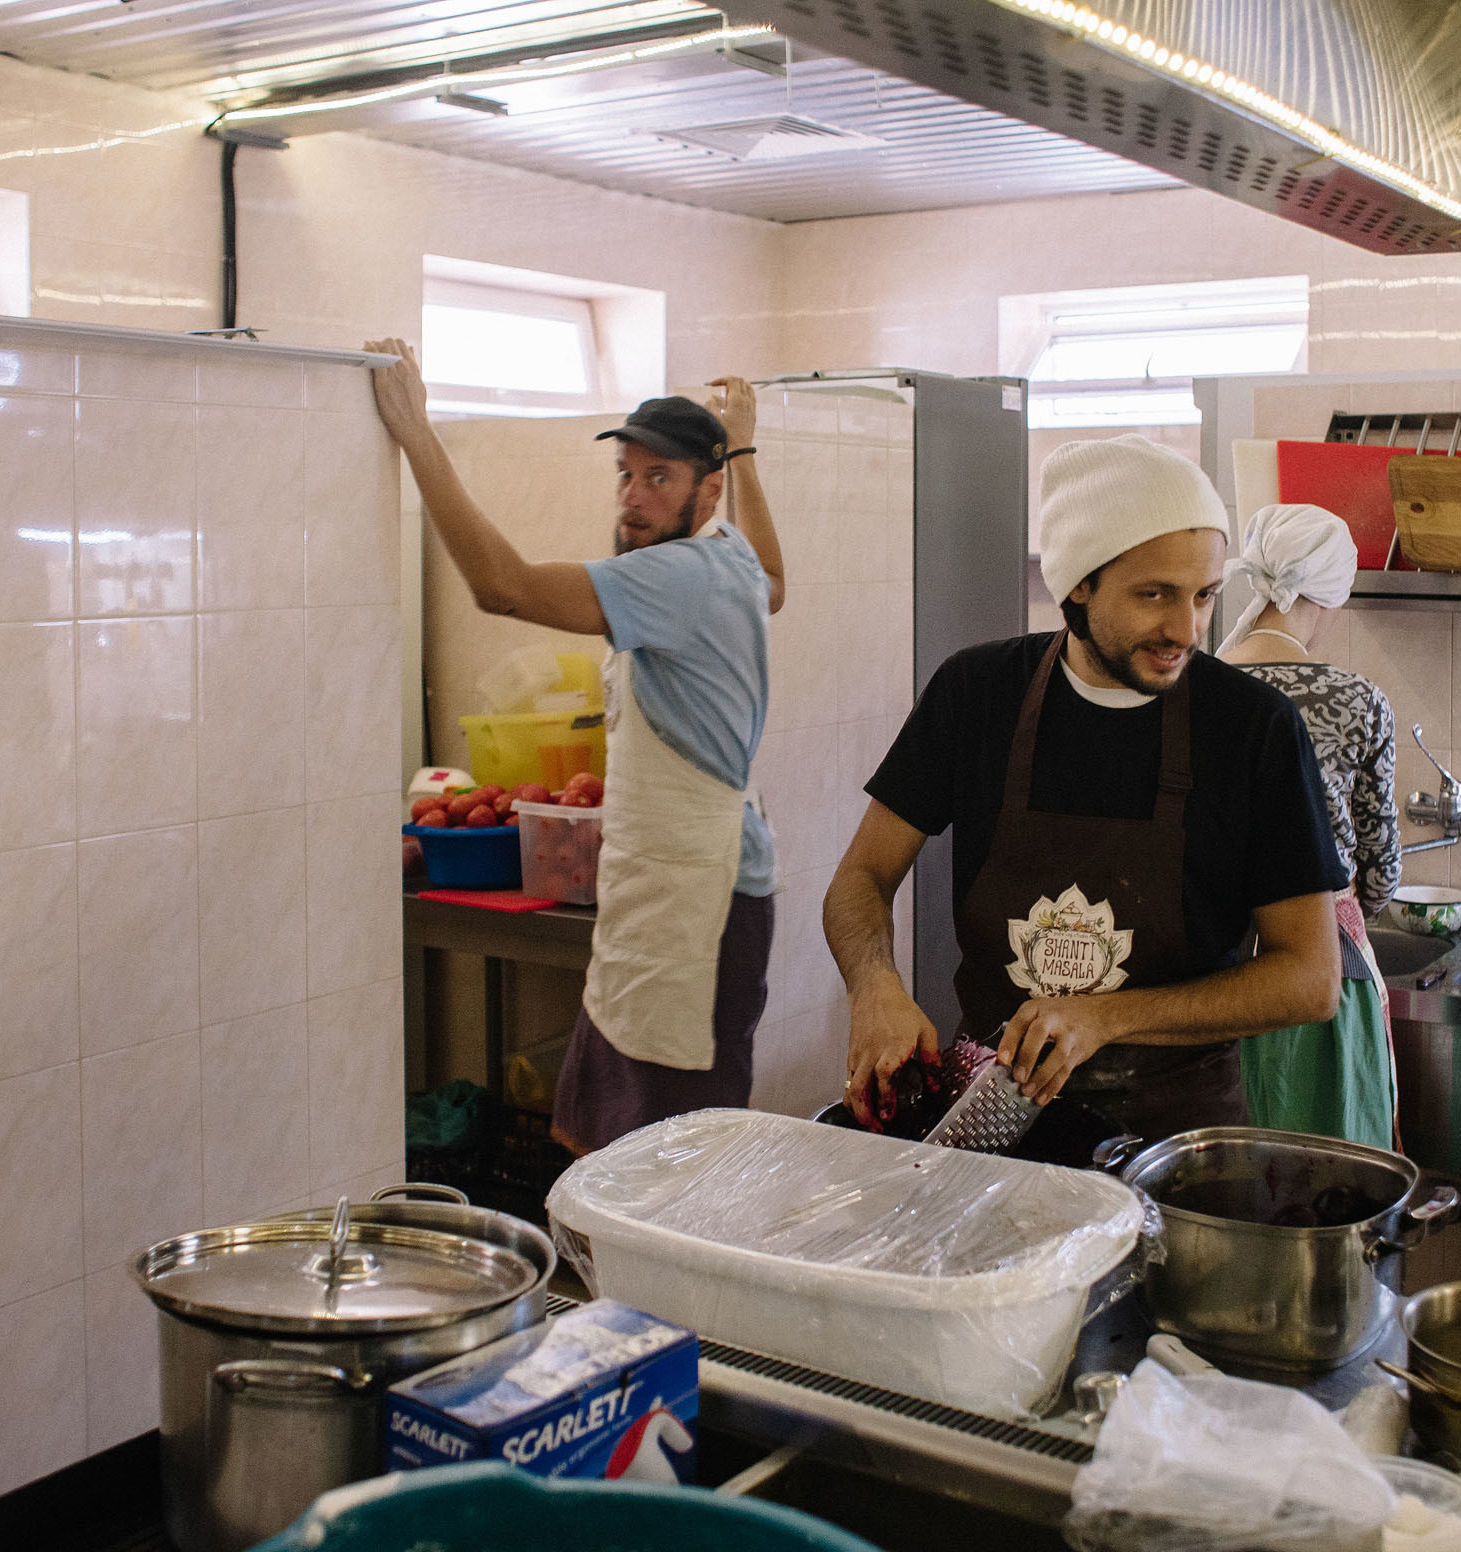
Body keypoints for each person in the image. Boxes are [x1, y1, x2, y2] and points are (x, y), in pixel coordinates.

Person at [823, 434, 1347, 1145]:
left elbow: (1310, 978)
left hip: (1175, 1143)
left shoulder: (1252, 728)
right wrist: (874, 986)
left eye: (1204, 596)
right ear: (1077, 581)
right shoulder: (977, 693)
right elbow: (861, 876)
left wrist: (1107, 1015)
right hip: (994, 1121)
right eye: (1153, 594)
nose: (1185, 629)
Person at [366, 340, 785, 1154]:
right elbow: (777, 580)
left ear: (708, 490)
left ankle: (654, 1288)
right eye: (625, 474)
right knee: (601, 1146)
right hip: (676, 888)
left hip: (694, 909)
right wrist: (746, 447)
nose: (633, 498)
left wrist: (418, 434)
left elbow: (504, 587)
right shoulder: (728, 559)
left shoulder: (679, 577)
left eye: (658, 479)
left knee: (665, 1171)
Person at [1218, 504, 1400, 1149]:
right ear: (1327, 598)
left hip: (1205, 971)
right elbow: (1380, 873)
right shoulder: (1357, 700)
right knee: (1325, 1173)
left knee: (1222, 1179)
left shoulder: (1193, 686)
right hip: (1322, 973)